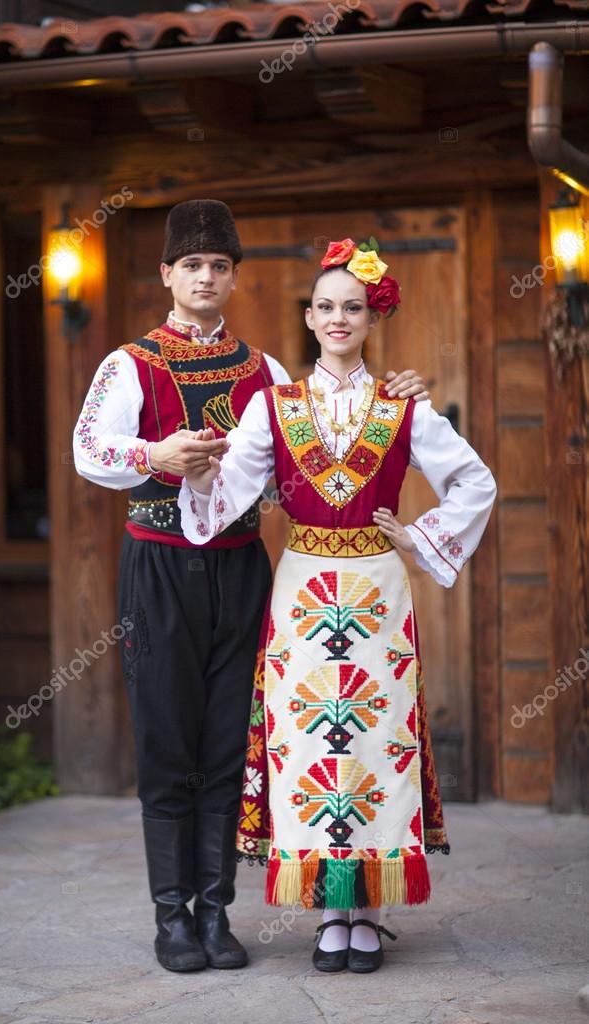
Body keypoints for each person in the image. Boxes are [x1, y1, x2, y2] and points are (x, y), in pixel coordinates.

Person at [72, 204, 429, 974]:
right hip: (160, 564)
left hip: (242, 570)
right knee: (169, 738)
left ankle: (218, 912)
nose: (206, 276)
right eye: (192, 264)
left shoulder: (264, 371)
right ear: (167, 274)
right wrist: (155, 452)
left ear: (234, 277)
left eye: (220, 264)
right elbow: (88, 449)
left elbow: (316, 445)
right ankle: (174, 917)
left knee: (234, 737)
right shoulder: (127, 364)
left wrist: (398, 394)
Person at [178, 234, 497, 974]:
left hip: (379, 589)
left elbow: (475, 482)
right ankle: (331, 914)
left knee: (375, 744)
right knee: (315, 745)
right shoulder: (274, 406)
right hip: (303, 589)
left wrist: (418, 537)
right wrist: (197, 476)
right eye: (325, 306)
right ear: (309, 317)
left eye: (351, 307)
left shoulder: (403, 406)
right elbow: (229, 493)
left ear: (370, 317)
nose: (338, 318)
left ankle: (370, 911)